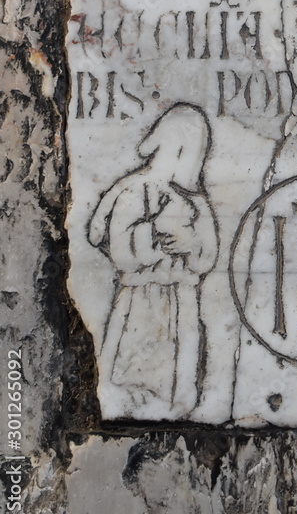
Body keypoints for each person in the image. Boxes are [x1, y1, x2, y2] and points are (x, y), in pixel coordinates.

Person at [88, 104, 219, 420]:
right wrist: (155, 234)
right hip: (140, 298)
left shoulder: (196, 200)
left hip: (182, 300)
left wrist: (190, 244)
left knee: (177, 379)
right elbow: (121, 253)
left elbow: (207, 257)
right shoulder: (135, 190)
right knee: (132, 368)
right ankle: (127, 408)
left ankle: (174, 409)